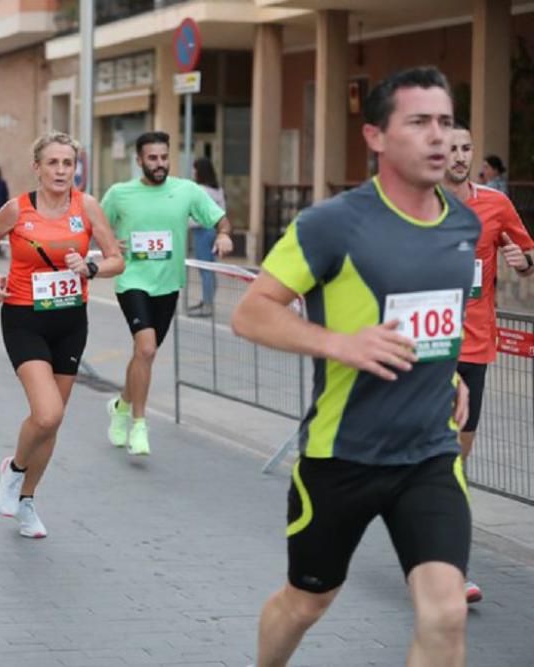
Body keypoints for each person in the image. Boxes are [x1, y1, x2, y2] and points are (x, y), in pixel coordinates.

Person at [231, 67, 477, 667]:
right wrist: (341, 344)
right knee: (306, 602)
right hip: (342, 457)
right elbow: (251, 313)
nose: (439, 137)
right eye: (419, 122)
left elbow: (434, 321)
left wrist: (452, 377)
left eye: (445, 122)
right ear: (375, 136)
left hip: (429, 455)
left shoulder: (463, 222)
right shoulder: (332, 223)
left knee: (445, 610)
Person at [0, 131, 124, 538]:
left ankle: (26, 501)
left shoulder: (86, 206)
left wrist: (90, 268)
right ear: (37, 167)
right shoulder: (16, 209)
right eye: (54, 163)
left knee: (51, 425)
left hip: (70, 321)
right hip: (24, 317)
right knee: (48, 413)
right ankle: (14, 470)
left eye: (68, 163)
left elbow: (117, 260)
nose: (62, 171)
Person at [443, 122, 534, 605]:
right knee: (433, 459)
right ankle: (447, 567)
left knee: (455, 460)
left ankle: (434, 553)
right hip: (428, 348)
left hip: (474, 348)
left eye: (465, 148)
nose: (459, 155)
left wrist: (523, 261)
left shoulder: (496, 205)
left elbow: (527, 254)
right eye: (451, 148)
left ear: (473, 155)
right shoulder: (418, 204)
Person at [101, 132, 232, 456]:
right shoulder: (120, 194)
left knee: (144, 354)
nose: (159, 164)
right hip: (131, 279)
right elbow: (93, 226)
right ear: (139, 160)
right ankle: (139, 426)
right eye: (152, 158)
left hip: (168, 284)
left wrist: (225, 236)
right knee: (145, 348)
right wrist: (107, 244)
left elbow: (220, 219)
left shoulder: (186, 191)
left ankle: (120, 408)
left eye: (163, 158)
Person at [188, 157, 227, 317]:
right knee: (210, 267)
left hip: (202, 232)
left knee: (205, 269)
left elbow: (195, 215)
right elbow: (222, 211)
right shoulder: (217, 190)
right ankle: (207, 300)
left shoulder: (200, 190)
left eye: (194, 168)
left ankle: (208, 304)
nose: (192, 171)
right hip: (213, 231)